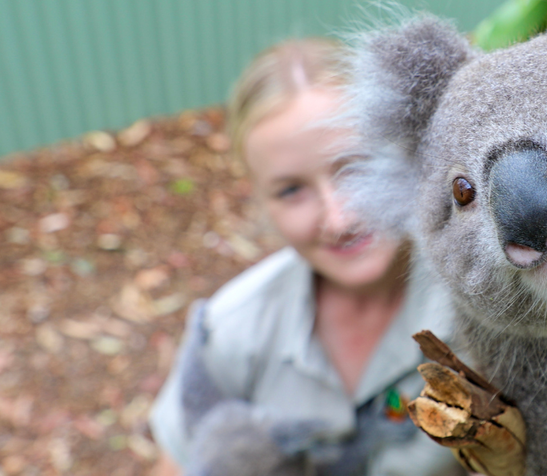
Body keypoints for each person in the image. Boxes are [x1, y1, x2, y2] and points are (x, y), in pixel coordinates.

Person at [149, 38, 463, 476]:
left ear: (406, 149)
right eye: (292, 191)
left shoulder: (485, 313)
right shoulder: (230, 333)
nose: (338, 219)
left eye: (353, 166)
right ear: (260, 202)